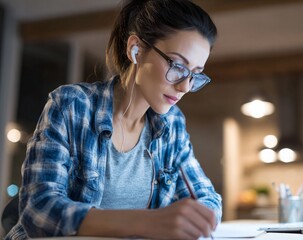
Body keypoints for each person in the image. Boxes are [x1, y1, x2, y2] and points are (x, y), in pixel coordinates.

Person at [5, 0, 222, 239]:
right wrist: (146, 223)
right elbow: (39, 208)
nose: (184, 86)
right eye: (178, 65)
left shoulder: (172, 125)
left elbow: (207, 197)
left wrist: (198, 217)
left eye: (195, 75)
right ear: (135, 50)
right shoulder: (72, 105)